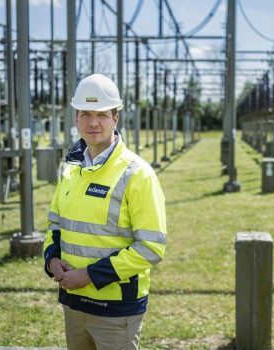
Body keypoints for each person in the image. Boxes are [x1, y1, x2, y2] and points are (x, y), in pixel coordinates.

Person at [43, 73, 167, 350]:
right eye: (85, 114)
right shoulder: (71, 169)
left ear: (115, 118)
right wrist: (52, 261)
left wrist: (88, 275)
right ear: (76, 118)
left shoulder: (137, 174)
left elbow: (151, 247)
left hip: (115, 309)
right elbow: (54, 225)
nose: (93, 122)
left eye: (101, 114)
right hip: (73, 303)